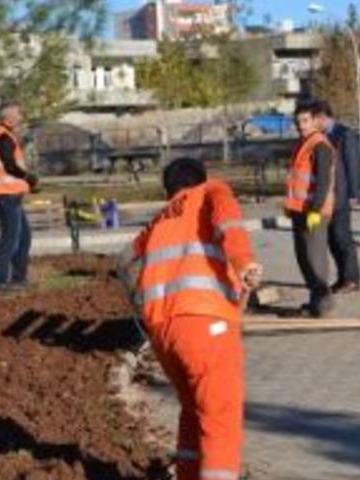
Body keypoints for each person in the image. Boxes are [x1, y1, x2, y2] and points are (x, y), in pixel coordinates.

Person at [122, 158, 262, 480]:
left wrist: (139, 306)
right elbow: (229, 225)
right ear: (200, 179)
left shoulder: (159, 219)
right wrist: (245, 265)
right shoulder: (212, 192)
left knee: (193, 412)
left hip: (162, 334)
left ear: (168, 190)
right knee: (220, 418)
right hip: (204, 325)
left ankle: (186, 473)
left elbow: (123, 260)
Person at [286, 100, 337, 318]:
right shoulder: (303, 143)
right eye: (298, 121)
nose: (301, 125)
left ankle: (323, 306)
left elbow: (323, 182)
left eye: (305, 120)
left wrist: (315, 210)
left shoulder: (320, 145)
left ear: (315, 121)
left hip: (313, 211)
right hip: (300, 210)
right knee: (304, 258)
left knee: (315, 259)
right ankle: (315, 301)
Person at [0, 102, 39, 293]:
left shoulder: (5, 134)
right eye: (18, 113)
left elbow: (11, 164)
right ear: (7, 117)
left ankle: (19, 278)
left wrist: (27, 182)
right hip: (6, 196)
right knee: (10, 239)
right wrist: (28, 177)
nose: (21, 117)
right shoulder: (2, 136)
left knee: (24, 237)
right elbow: (9, 165)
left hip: (12, 195)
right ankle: (0, 283)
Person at [316, 101, 360, 294]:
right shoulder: (320, 137)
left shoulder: (345, 135)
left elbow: (353, 165)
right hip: (328, 198)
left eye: (317, 119)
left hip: (342, 195)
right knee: (332, 240)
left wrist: (354, 193)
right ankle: (342, 278)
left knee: (343, 239)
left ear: (325, 117)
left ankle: (352, 279)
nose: (315, 124)